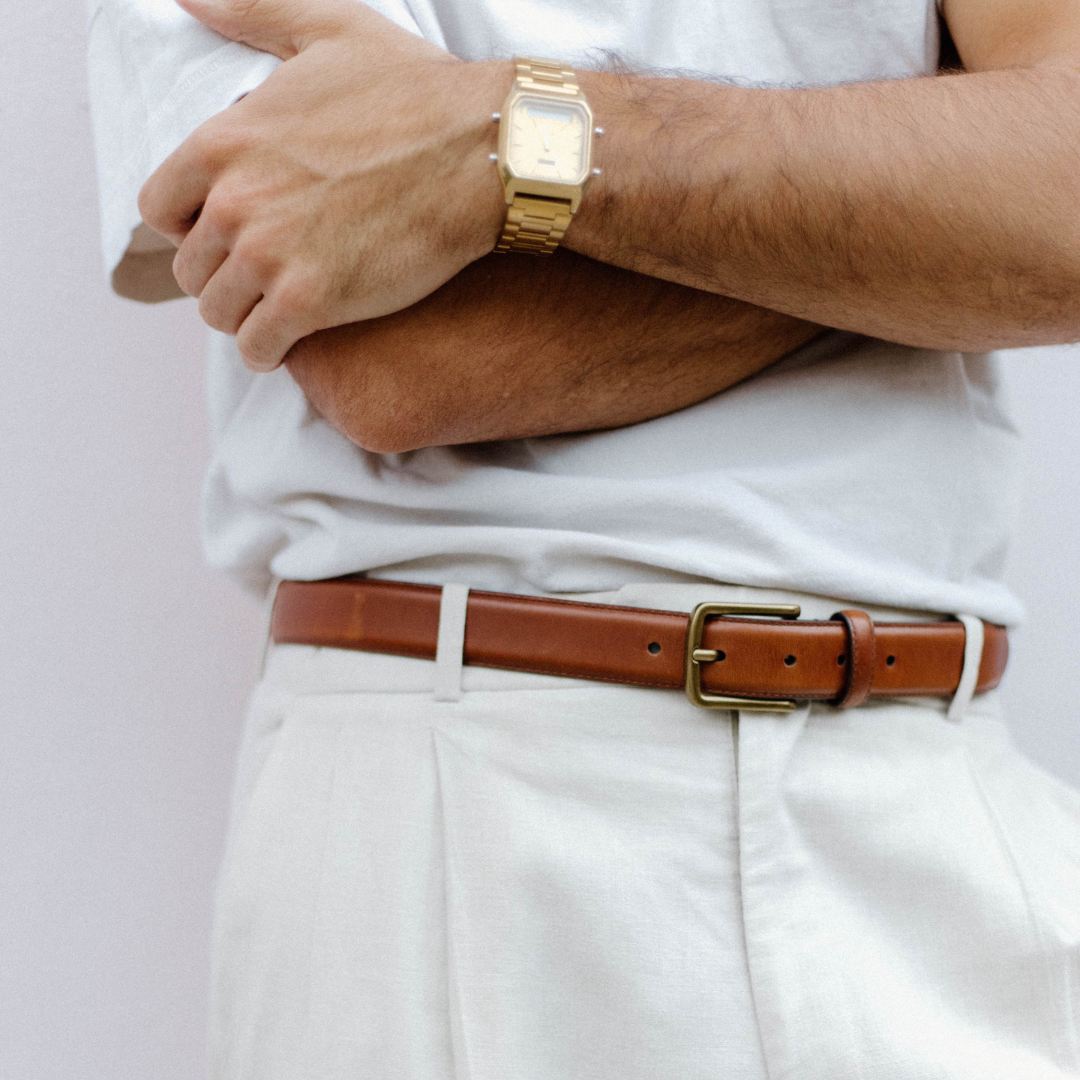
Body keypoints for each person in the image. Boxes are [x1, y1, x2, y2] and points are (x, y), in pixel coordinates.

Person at [88, 0, 1080, 1075]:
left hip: (930, 795)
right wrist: (943, 196)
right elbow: (411, 365)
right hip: (476, 815)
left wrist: (496, 136)